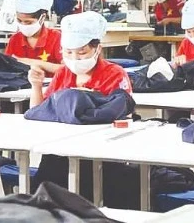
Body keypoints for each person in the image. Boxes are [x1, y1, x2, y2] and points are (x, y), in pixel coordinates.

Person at [29, 12, 133, 191]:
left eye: (82, 52)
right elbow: (39, 112)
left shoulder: (114, 74)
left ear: (97, 49)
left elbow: (122, 114)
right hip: (60, 150)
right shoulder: (63, 73)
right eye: (68, 52)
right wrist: (36, 86)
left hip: (99, 151)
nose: (75, 58)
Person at [5, 0, 63, 75]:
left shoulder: (56, 37)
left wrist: (34, 63)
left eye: (28, 22)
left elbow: (66, 69)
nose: (23, 25)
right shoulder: (15, 39)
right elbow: (5, 67)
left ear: (42, 18)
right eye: (19, 21)